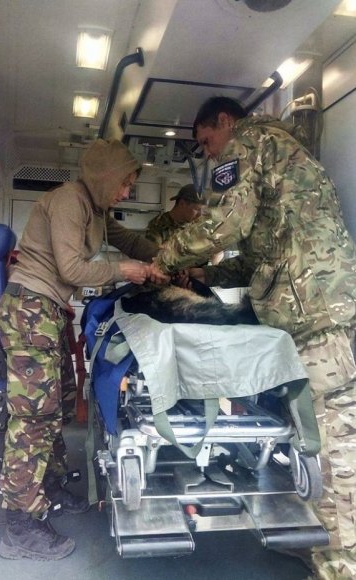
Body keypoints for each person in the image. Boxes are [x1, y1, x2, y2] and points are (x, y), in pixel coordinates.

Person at [150, 96, 356, 580]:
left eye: (207, 140)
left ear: (225, 121)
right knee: (315, 430)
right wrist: (205, 272)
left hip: (314, 310)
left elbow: (224, 225)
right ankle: (321, 541)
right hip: (319, 300)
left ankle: (342, 562)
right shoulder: (281, 149)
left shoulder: (248, 143)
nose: (210, 153)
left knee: (335, 438)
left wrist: (165, 259)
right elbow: (265, 253)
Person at [0, 138, 167, 561]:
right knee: (33, 416)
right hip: (30, 308)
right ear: (105, 177)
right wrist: (125, 271)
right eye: (124, 184)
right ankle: (19, 524)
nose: (126, 192)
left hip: (48, 311)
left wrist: (167, 260)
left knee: (57, 406)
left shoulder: (96, 211)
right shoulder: (69, 201)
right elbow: (72, 268)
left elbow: (132, 242)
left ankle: (49, 486)